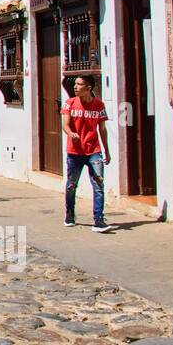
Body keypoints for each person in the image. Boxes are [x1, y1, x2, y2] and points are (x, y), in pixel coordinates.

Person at [62, 75, 112, 231]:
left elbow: (102, 129)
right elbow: (65, 125)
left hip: (94, 151)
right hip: (74, 152)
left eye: (79, 84)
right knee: (71, 185)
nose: (75, 87)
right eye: (75, 84)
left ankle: (98, 220)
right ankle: (69, 214)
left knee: (98, 185)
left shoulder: (99, 105)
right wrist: (71, 134)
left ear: (88, 87)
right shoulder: (69, 103)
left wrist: (107, 151)